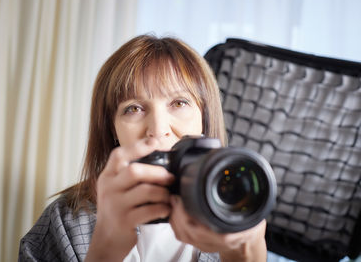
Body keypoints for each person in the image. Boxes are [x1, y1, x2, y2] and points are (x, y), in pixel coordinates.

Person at [19, 34, 267, 262]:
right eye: (133, 108)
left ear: (204, 118)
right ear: (112, 129)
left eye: (179, 103)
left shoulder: (238, 204)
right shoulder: (64, 222)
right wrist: (105, 249)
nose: (158, 129)